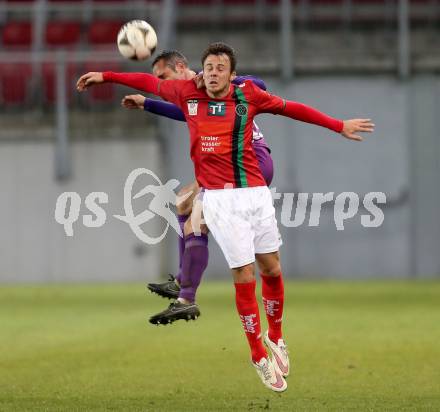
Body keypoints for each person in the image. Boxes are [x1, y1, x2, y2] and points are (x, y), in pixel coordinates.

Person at [76, 42, 374, 392]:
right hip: (221, 200)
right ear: (200, 72)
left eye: (220, 67)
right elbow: (146, 81)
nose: (214, 72)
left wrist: (338, 125)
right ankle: (256, 354)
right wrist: (106, 76)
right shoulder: (185, 91)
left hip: (257, 194)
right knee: (243, 273)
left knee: (272, 269)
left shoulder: (248, 93)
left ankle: (275, 335)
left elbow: (293, 108)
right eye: (210, 67)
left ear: (231, 74)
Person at [120, 50, 275, 326]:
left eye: (163, 77)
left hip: (248, 162)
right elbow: (186, 114)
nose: (162, 84)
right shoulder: (196, 94)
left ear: (181, 67)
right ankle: (183, 284)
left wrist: (210, 76)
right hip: (235, 164)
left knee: (194, 222)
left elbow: (259, 84)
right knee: (183, 201)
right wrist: (147, 103)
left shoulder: (213, 80)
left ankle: (186, 296)